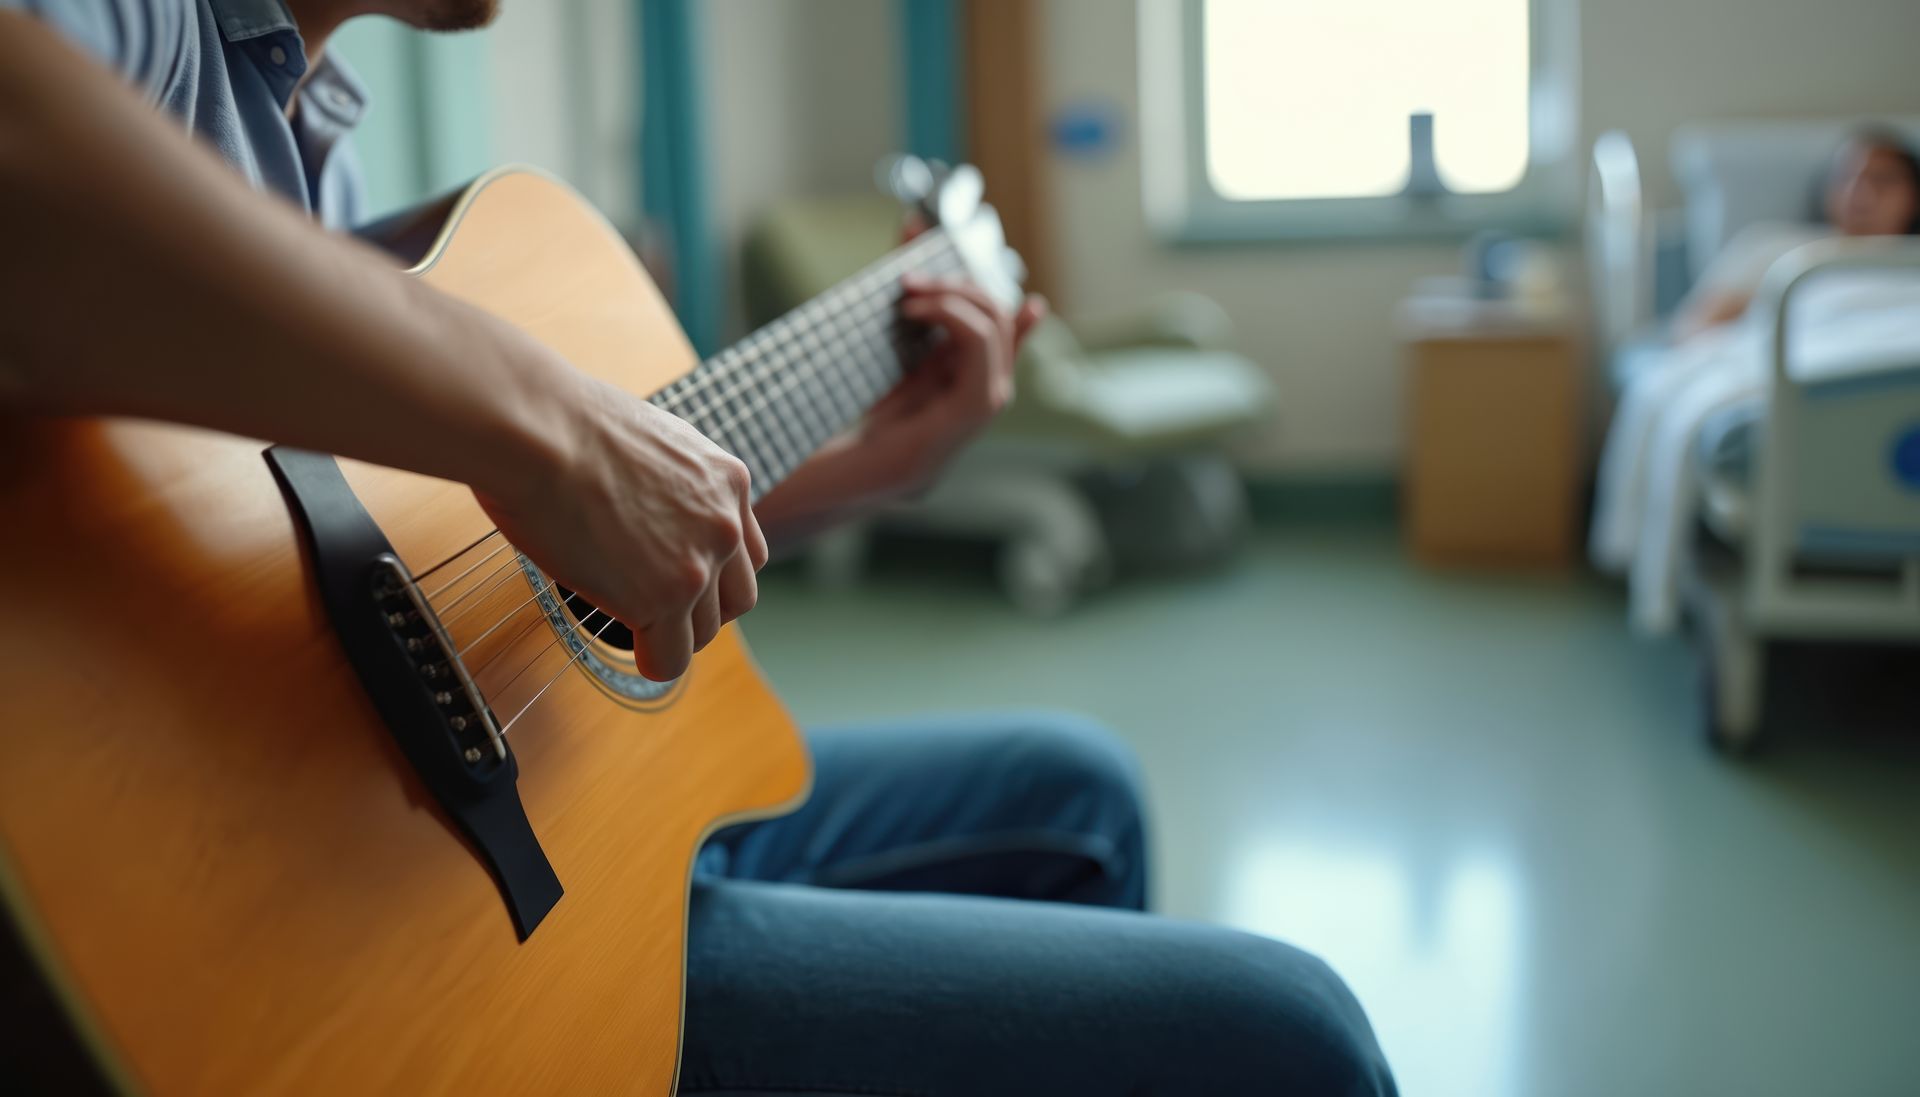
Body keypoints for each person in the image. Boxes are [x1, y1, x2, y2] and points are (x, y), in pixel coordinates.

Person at [0, 2, 1396, 1094]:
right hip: (367, 958)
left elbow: (516, 560)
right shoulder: (146, 24)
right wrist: (546, 419)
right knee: (1299, 1042)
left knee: (1076, 787)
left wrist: (883, 464)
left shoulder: (315, 156)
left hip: (511, 841)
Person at [1672, 127, 1920, 340]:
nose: (1861, 193)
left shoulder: (1912, 260)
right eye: (1846, 178)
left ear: (1914, 196)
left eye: (1883, 179)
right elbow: (1694, 331)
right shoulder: (1773, 248)